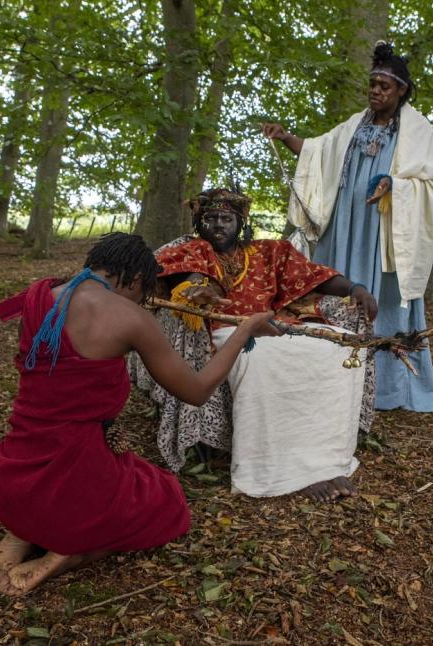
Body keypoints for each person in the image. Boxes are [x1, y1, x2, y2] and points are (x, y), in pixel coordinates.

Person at [0, 233, 277, 596]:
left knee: (110, 473)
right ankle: (70, 552)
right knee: (167, 499)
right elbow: (197, 391)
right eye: (143, 295)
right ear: (136, 280)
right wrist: (243, 330)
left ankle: (23, 530)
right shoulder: (130, 318)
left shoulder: (38, 295)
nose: (142, 303)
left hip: (12, 480)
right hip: (70, 486)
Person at [152, 188, 378, 503]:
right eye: (210, 218)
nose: (218, 225)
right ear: (199, 223)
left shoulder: (270, 251)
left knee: (338, 350)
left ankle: (327, 459)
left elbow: (313, 276)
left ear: (241, 222)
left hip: (277, 323)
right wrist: (198, 290)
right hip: (226, 329)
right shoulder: (195, 250)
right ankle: (274, 466)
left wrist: (355, 288)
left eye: (226, 218)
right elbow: (189, 279)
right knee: (262, 361)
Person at [263, 41, 433, 413]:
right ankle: (329, 379)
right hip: (343, 230)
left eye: (384, 86)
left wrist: (394, 185)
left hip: (385, 236)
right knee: (334, 290)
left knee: (385, 304)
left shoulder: (417, 130)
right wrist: (285, 138)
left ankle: (385, 390)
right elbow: (316, 152)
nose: (375, 91)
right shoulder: (354, 125)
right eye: (373, 84)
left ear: (401, 91)